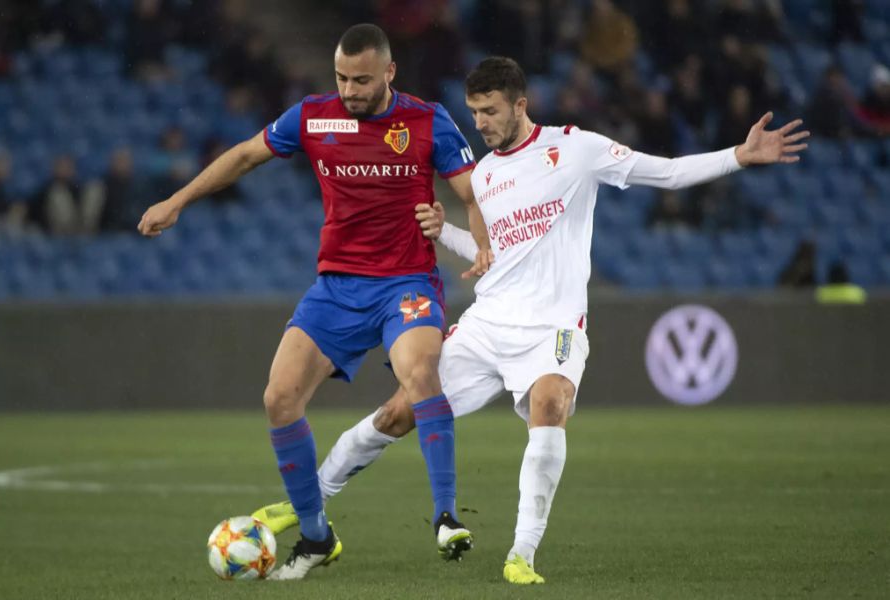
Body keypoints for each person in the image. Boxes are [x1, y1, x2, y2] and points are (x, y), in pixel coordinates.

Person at [251, 56, 809, 585]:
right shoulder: (484, 176)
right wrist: (441, 231)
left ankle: (521, 553)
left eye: (490, 111)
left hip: (553, 327)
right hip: (490, 321)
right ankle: (311, 503)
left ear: (520, 105)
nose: (481, 124)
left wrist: (738, 154)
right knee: (398, 413)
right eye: (474, 113)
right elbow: (492, 254)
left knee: (550, 404)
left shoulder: (577, 150)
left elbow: (664, 173)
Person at [137, 23, 491, 580]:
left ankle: (445, 514)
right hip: (336, 288)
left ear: (389, 73)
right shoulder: (313, 116)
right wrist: (178, 200)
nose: (350, 90)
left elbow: (474, 190)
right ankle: (316, 536)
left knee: (421, 372)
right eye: (342, 78)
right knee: (279, 397)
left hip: (407, 284)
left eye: (363, 80)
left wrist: (481, 240)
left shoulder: (427, 121)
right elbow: (246, 156)